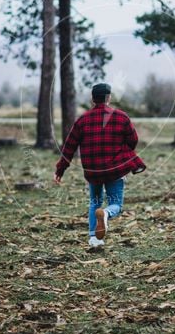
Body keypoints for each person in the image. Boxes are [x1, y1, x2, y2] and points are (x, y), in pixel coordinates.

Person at [54, 83, 146, 247]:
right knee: (116, 204)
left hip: (93, 171)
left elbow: (69, 147)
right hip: (115, 170)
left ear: (92, 99)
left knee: (95, 202)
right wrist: (122, 153)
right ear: (109, 98)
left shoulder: (82, 120)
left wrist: (60, 170)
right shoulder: (121, 117)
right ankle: (106, 214)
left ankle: (94, 238)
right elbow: (133, 140)